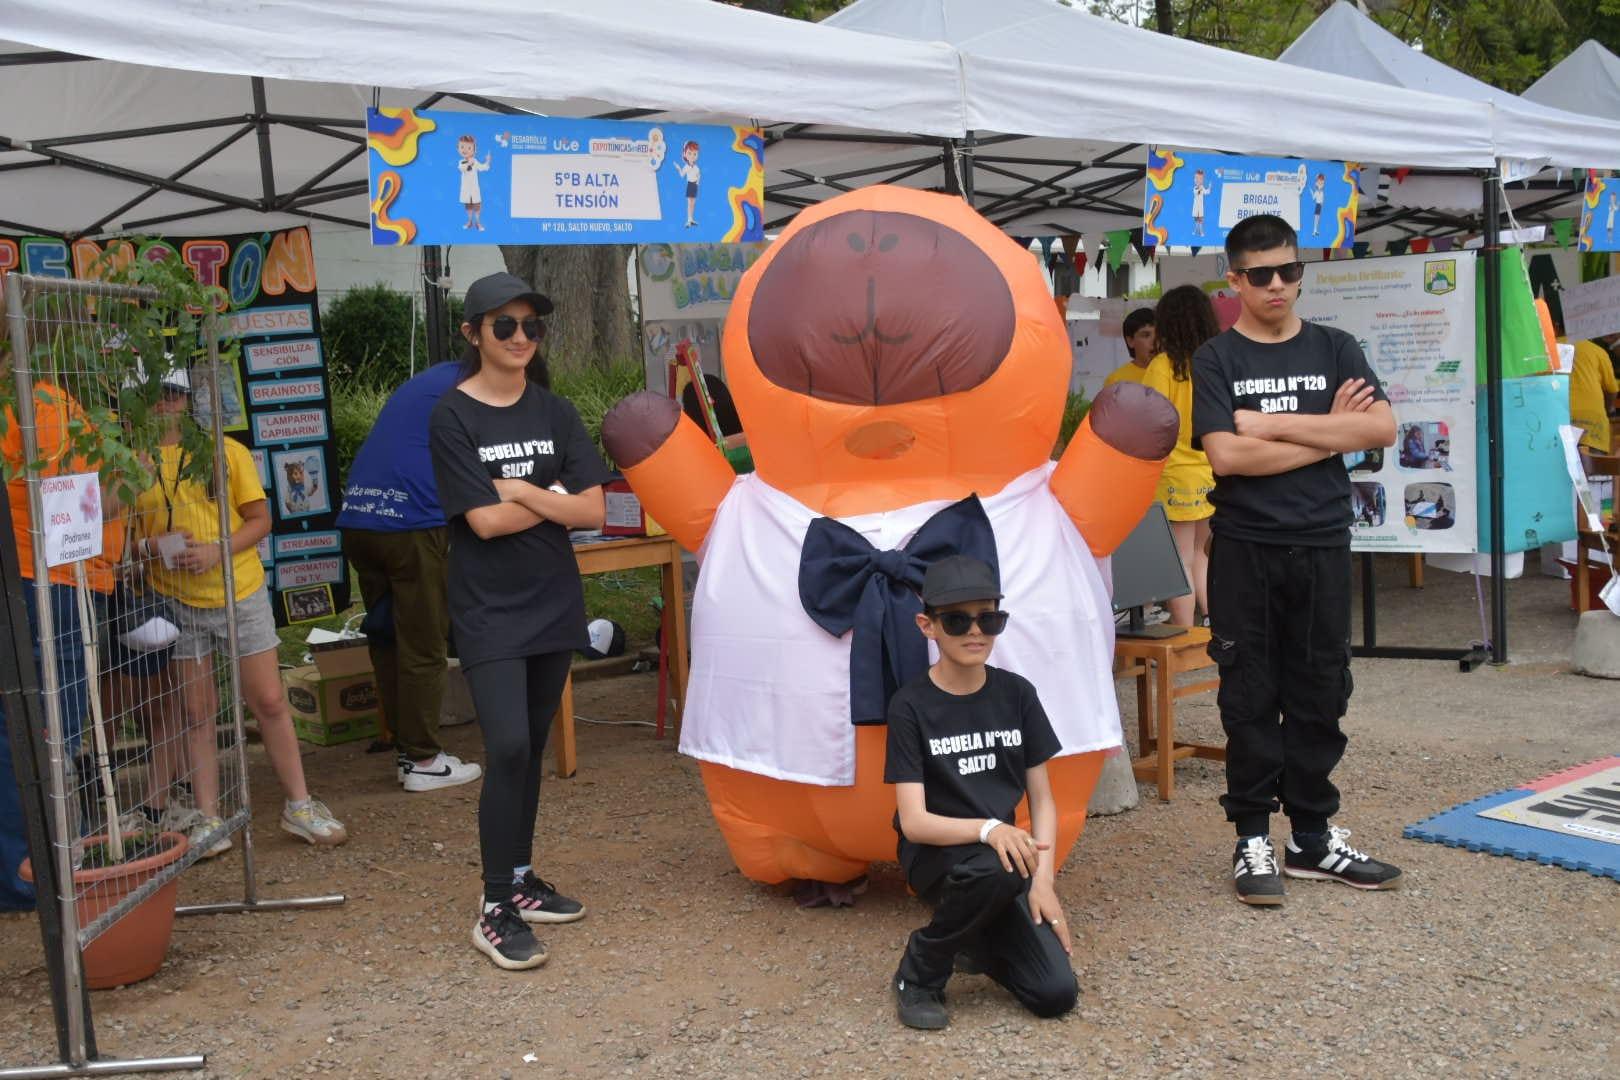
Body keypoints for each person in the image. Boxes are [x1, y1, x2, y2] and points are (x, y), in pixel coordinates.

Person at [1190, 213, 1402, 906]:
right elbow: (1227, 455)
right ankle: (1252, 836)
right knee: (1249, 693)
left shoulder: (1337, 346)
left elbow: (1381, 428)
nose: (1277, 285)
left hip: (1322, 543)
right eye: (1261, 275)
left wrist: (1274, 425)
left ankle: (1311, 838)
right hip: (1244, 548)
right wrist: (1331, 433)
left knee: (1320, 690)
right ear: (1235, 280)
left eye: (1289, 270)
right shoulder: (1217, 359)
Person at [428, 272, 611, 971]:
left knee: (529, 746)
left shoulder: (555, 410)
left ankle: (522, 876)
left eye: (531, 325)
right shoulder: (453, 416)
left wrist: (521, 489)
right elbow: (484, 522)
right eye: (503, 325)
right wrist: (550, 495)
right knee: (505, 746)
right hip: (488, 608)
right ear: (473, 333)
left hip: (552, 600)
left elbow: (594, 510)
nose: (520, 337)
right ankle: (495, 906)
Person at [132, 366, 346, 855]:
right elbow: (123, 539)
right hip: (174, 600)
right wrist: (151, 547)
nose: (165, 402)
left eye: (173, 394)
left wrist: (216, 550)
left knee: (268, 700)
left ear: (187, 400)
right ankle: (209, 819)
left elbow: (260, 519)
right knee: (196, 710)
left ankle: (299, 805)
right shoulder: (132, 464)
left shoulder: (224, 451)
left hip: (239, 591)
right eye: (155, 394)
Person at [884, 555, 1078, 1031]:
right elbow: (914, 822)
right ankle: (919, 972)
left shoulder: (1017, 694)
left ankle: (972, 936)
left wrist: (1044, 882)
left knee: (1055, 993)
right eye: (957, 620)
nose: (976, 632)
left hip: (1004, 862)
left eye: (988, 619)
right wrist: (990, 829)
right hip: (938, 853)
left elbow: (1043, 799)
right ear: (927, 626)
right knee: (995, 867)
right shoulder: (909, 705)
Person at [0, 345, 128, 909]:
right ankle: (38, 874)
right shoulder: (39, 404)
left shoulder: (30, 402)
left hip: (39, 580)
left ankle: (29, 868)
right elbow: (74, 508)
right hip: (52, 583)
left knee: (23, 732)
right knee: (48, 735)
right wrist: (134, 475)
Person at [338, 360, 482, 793]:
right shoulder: (481, 387)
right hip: (412, 522)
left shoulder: (432, 380)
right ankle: (423, 760)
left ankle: (406, 750)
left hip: (361, 514)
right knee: (423, 641)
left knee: (386, 634)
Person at [1139, 285, 1220, 626]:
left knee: (1181, 559)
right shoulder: (1216, 361)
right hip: (1211, 470)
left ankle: (1184, 633)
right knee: (1203, 555)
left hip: (1174, 474)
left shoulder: (1162, 366)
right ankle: (1214, 628)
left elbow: (1150, 421)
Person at [1568, 332, 1618, 457]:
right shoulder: (1597, 351)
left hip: (1558, 419)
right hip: (1593, 420)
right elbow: (1612, 389)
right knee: (1595, 465)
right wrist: (1609, 409)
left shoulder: (1547, 350)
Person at [1103, 307, 1157, 388]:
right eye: (1146, 335)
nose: (1155, 341)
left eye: (1160, 334)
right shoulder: (1116, 380)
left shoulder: (1174, 374)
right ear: (1130, 341)